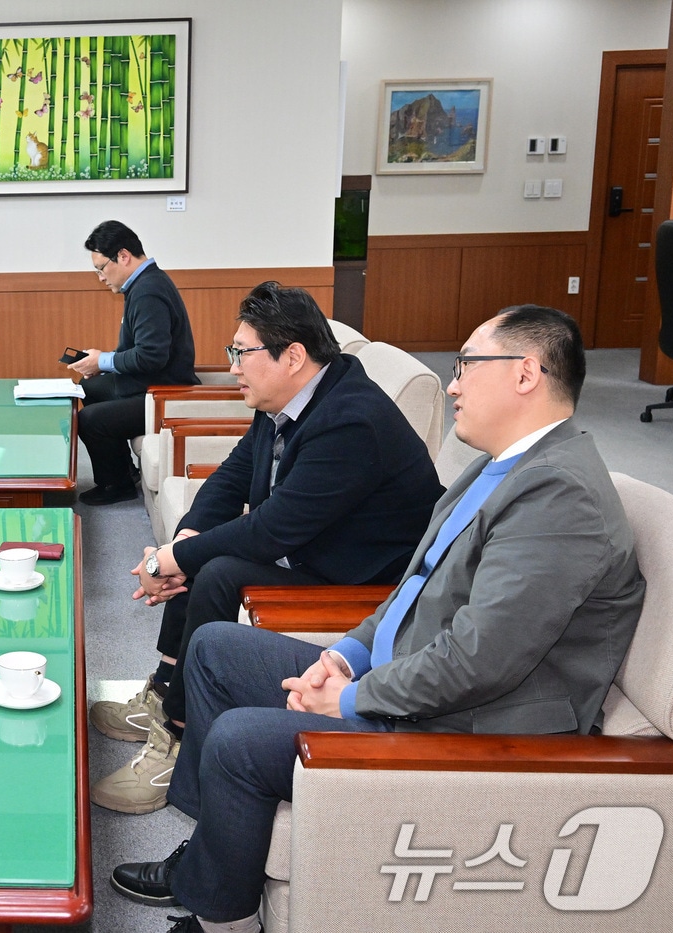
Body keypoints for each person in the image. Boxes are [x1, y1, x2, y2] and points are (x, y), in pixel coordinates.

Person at [109, 305, 645, 933]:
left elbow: (480, 661)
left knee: (237, 742)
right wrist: (343, 657)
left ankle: (217, 918)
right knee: (214, 649)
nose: (453, 383)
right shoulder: (502, 466)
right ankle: (208, 859)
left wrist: (354, 696)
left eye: (468, 364)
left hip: (466, 723)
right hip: (409, 677)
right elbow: (412, 590)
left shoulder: (559, 496)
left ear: (526, 373)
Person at [89, 281, 443, 814]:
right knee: (205, 552)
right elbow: (233, 476)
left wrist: (174, 559)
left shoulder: (351, 419)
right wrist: (187, 536)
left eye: (241, 352)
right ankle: (165, 690)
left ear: (293, 356)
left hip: (365, 578)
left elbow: (273, 530)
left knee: (218, 570)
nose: (231, 365)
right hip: (318, 547)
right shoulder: (290, 397)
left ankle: (180, 738)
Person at [70, 220, 198, 505]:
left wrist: (103, 361)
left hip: (165, 393)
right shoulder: (145, 283)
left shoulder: (148, 291)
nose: (100, 277)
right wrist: (100, 364)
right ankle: (123, 470)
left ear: (123, 256)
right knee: (89, 388)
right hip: (151, 384)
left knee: (90, 420)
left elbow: (151, 355)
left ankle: (116, 485)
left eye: (101, 268)